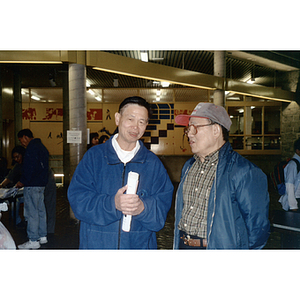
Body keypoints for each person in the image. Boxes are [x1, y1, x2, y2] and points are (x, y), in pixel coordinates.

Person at [68, 96, 174, 249]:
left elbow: (161, 213)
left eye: (141, 122)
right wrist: (113, 204)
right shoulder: (94, 157)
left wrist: (143, 208)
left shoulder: (153, 165)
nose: (135, 127)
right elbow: (78, 201)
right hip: (97, 246)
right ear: (117, 118)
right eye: (130, 119)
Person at [173, 102, 270, 249]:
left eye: (195, 127)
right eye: (188, 128)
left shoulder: (244, 172)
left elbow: (257, 230)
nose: (190, 133)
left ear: (216, 130)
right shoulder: (189, 167)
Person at [16, 129, 49, 249]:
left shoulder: (31, 148)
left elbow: (29, 168)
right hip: (41, 185)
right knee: (41, 211)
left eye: (21, 141)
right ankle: (43, 236)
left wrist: (22, 181)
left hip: (32, 185)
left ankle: (33, 240)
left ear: (25, 137)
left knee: (32, 213)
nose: (22, 144)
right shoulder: (42, 147)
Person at [0, 146, 26, 226]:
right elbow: (9, 177)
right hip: (21, 189)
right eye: (14, 158)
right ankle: (18, 221)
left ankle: (25, 221)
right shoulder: (17, 166)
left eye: (17, 157)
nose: (16, 159)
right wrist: (1, 185)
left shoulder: (27, 163)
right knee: (15, 202)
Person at [279, 138, 300, 212]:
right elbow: (289, 185)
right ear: (297, 151)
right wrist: (293, 206)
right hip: (296, 200)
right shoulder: (293, 164)